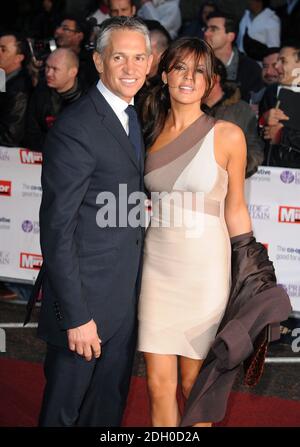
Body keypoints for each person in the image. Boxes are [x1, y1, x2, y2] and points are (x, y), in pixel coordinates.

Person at [37, 16, 153, 427]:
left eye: (139, 57)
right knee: (63, 415)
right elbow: (56, 229)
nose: (130, 67)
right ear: (99, 62)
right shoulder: (77, 126)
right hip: (84, 307)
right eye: (119, 57)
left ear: (151, 61)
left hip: (122, 299)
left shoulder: (131, 115)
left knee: (105, 411)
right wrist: (76, 316)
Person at [137, 37, 252, 427]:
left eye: (199, 70)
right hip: (157, 268)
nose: (189, 77)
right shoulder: (146, 132)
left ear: (210, 82)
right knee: (157, 385)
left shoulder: (228, 135)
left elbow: (235, 209)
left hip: (205, 271)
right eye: (181, 68)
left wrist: (252, 270)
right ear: (165, 74)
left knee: (193, 384)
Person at [25, 48, 84, 152]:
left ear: (73, 72)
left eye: (55, 69)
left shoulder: (87, 100)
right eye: (47, 67)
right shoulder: (41, 90)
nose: (48, 73)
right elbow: (31, 130)